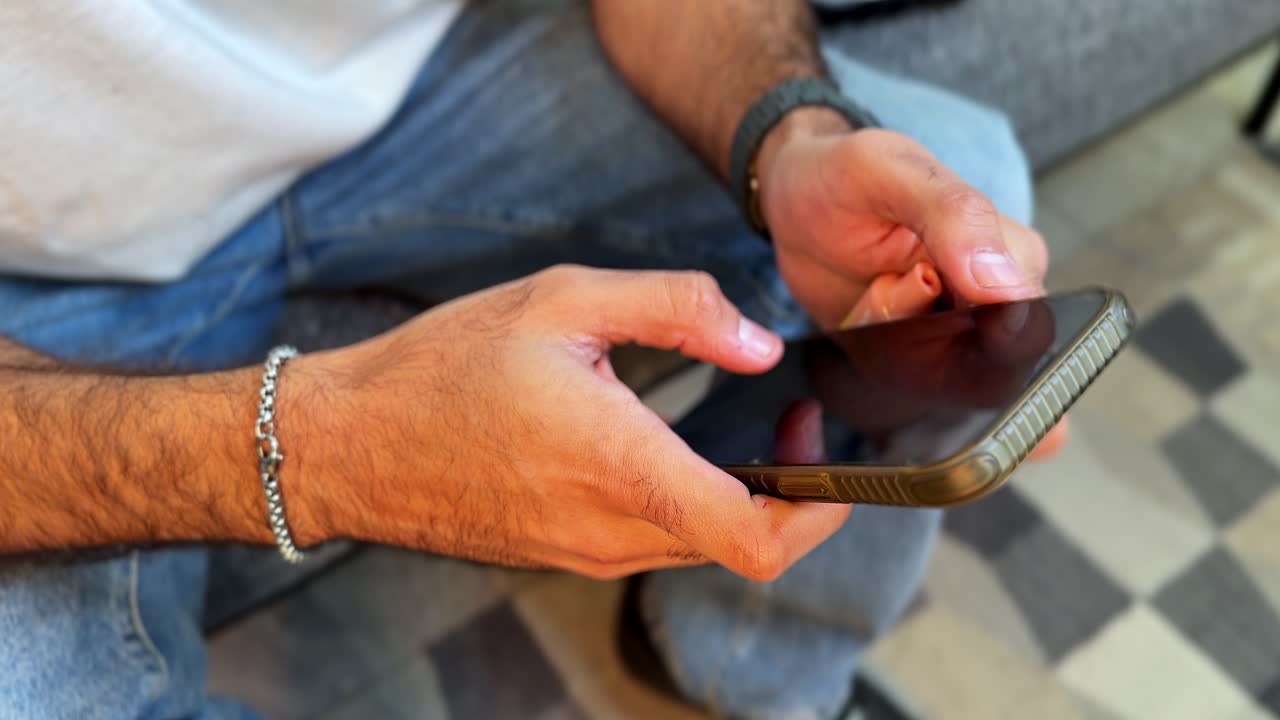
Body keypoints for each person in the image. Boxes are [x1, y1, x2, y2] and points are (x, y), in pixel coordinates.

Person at [0, 1, 1049, 718]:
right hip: (28, 264)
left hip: (406, 88)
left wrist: (790, 139)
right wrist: (322, 447)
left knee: (963, 211)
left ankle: (740, 664)